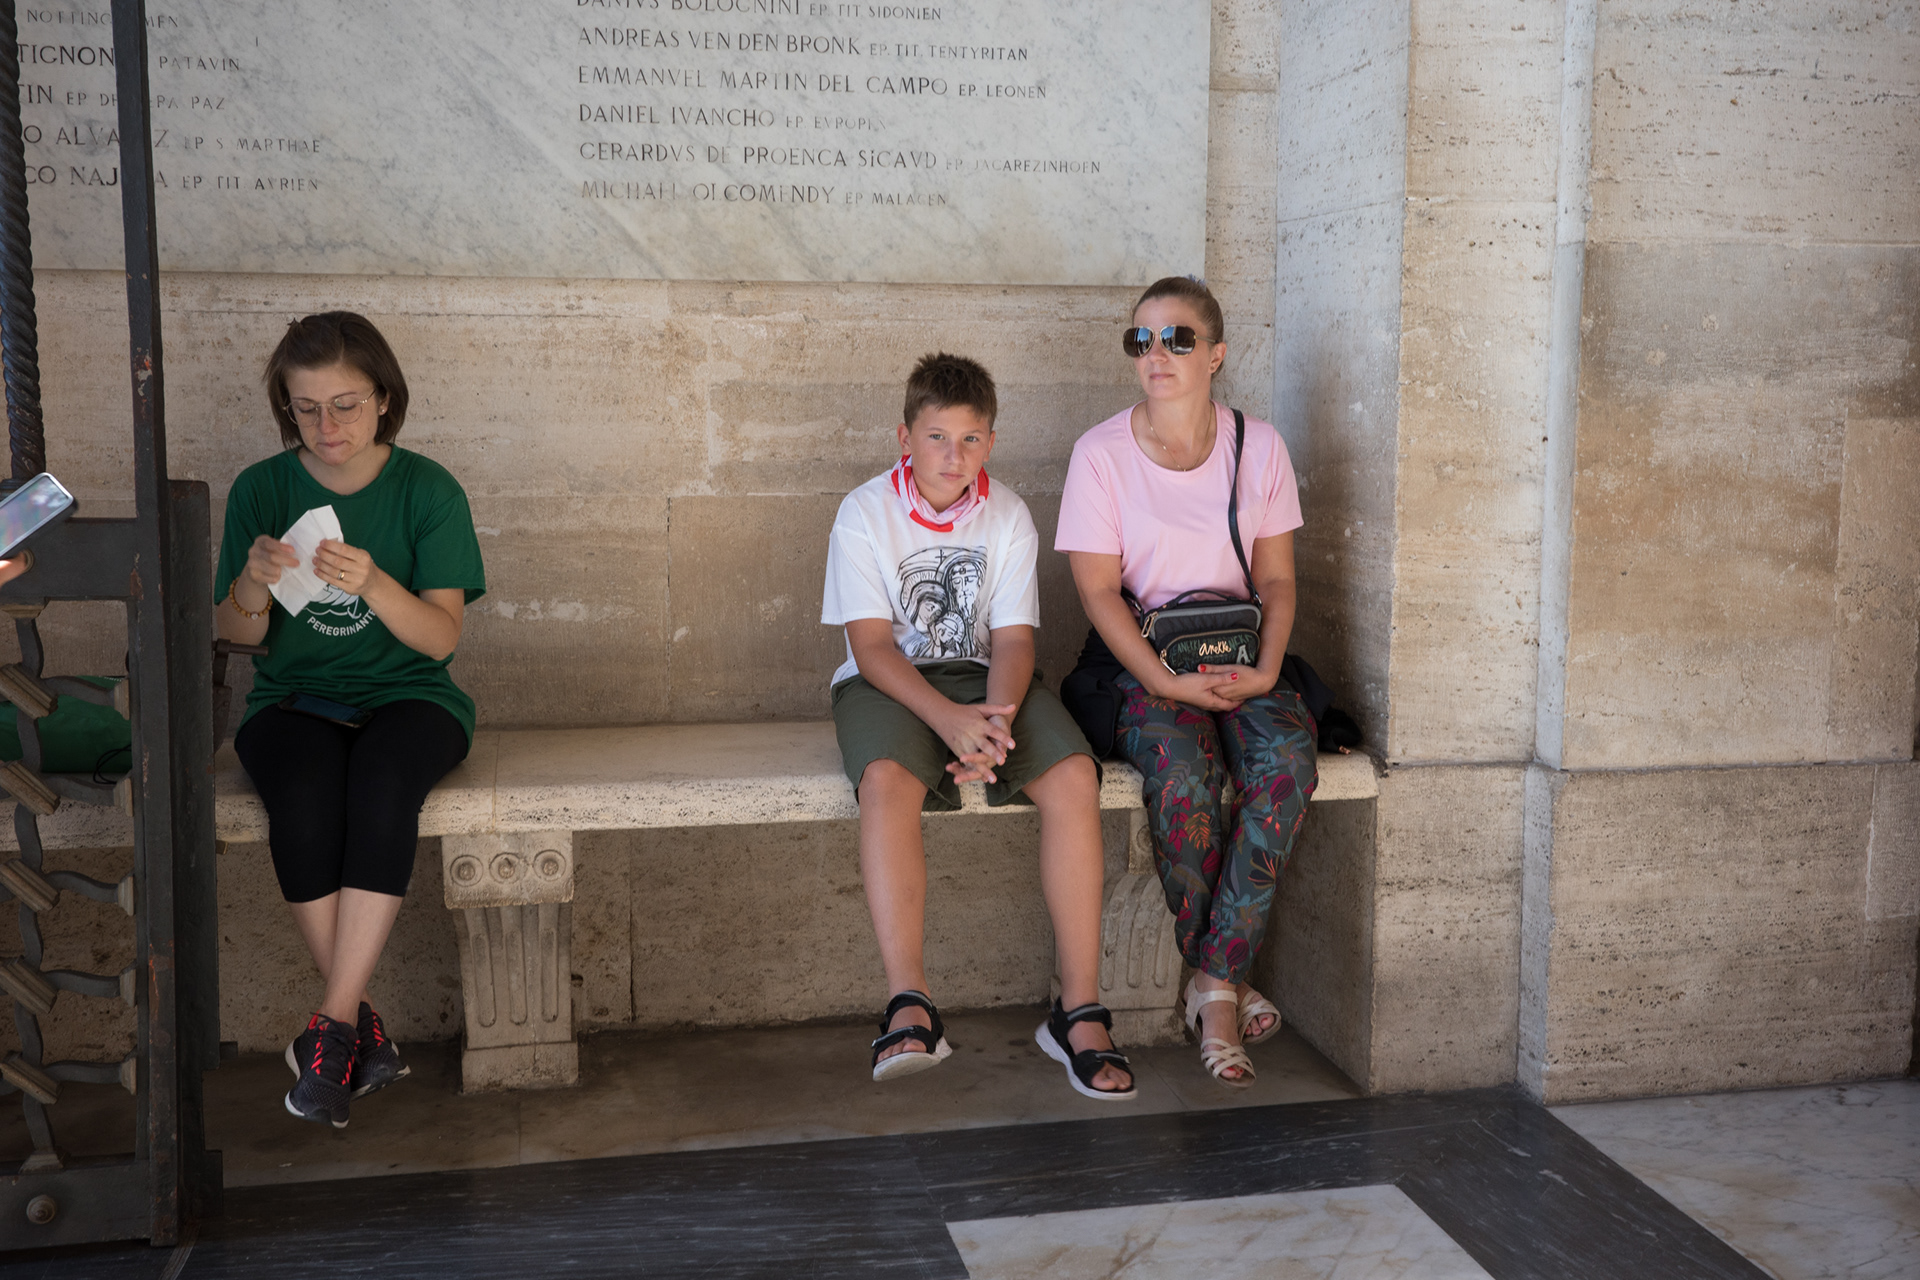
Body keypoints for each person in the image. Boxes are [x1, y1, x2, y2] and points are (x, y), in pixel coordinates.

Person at [822, 352, 1135, 1100]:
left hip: (988, 680)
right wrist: (948, 721)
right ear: (905, 437)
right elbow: (871, 647)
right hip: (888, 684)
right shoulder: (864, 511)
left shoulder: (1009, 514)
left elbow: (1016, 641)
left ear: (990, 442)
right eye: (936, 437)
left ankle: (1078, 1009)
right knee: (887, 781)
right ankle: (910, 1002)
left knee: (1074, 776)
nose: (952, 456)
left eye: (969, 439)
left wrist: (992, 724)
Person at [216, 312, 485, 1128]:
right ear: (286, 407)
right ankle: (355, 1031)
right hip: (291, 700)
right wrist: (253, 584)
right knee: (300, 797)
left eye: (345, 404)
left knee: (381, 783)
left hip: (414, 698)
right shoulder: (261, 488)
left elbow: (440, 638)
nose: (327, 426)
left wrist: (373, 584)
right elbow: (236, 637)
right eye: (307, 408)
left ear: (384, 399)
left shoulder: (427, 489)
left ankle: (330, 1025)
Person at [1056, 276, 1317, 1087]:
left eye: (1176, 339)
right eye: (1141, 340)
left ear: (1216, 355)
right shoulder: (1100, 454)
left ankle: (1211, 977)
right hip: (1140, 657)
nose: (1156, 355)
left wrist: (1267, 669)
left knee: (1286, 763)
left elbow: (1277, 580)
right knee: (1184, 779)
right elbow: (1098, 593)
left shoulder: (1259, 447)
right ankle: (1224, 987)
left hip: (1240, 649)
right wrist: (1165, 688)